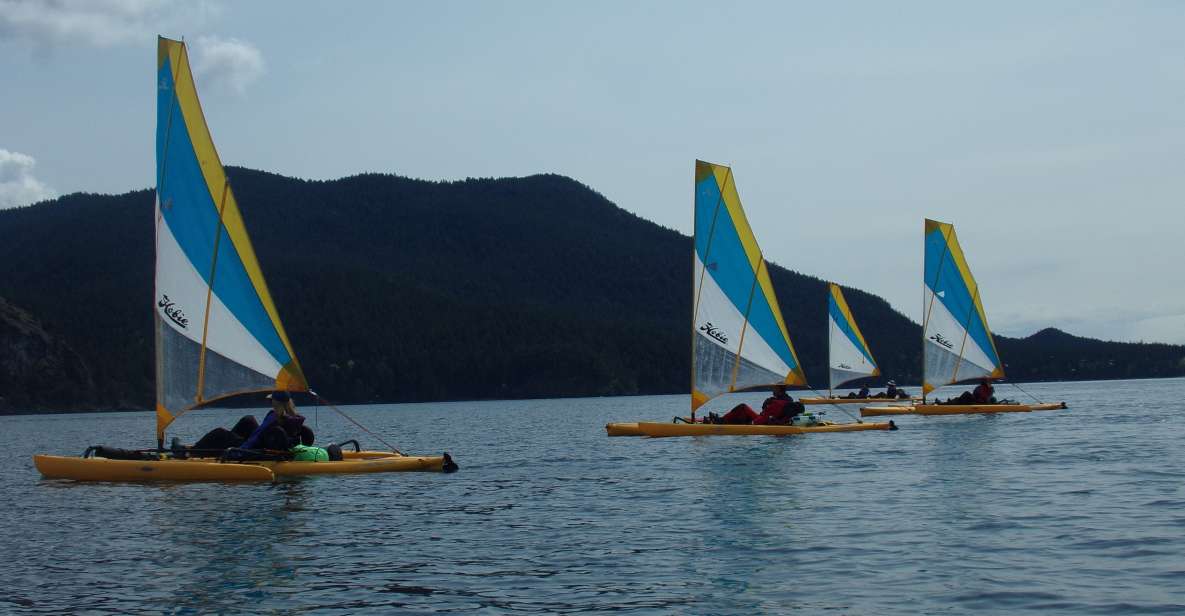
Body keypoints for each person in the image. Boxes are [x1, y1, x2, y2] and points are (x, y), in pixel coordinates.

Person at [240, 391, 315, 451]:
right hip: (285, 448)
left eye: (271, 400)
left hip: (259, 449)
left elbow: (257, 435)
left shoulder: (273, 418)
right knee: (249, 421)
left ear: (275, 402)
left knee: (247, 419)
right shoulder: (296, 419)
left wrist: (239, 450)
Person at [192, 415, 260, 451]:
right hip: (256, 441)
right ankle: (195, 449)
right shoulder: (270, 415)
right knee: (248, 419)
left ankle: (192, 452)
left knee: (220, 432)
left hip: (255, 446)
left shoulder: (271, 417)